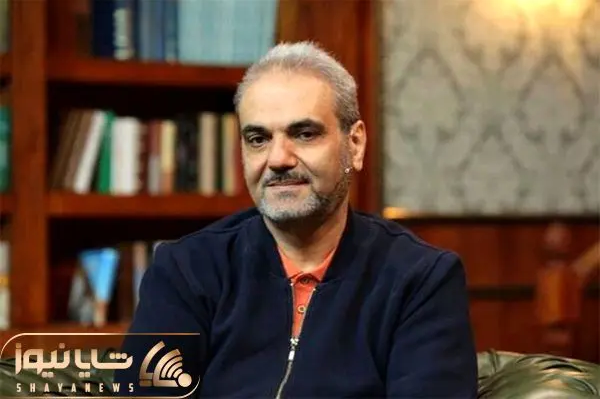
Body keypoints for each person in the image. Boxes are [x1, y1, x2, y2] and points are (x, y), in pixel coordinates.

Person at [113, 41, 478, 398]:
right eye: (258, 139)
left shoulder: (421, 279)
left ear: (355, 144)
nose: (278, 159)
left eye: (304, 134)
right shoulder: (186, 269)